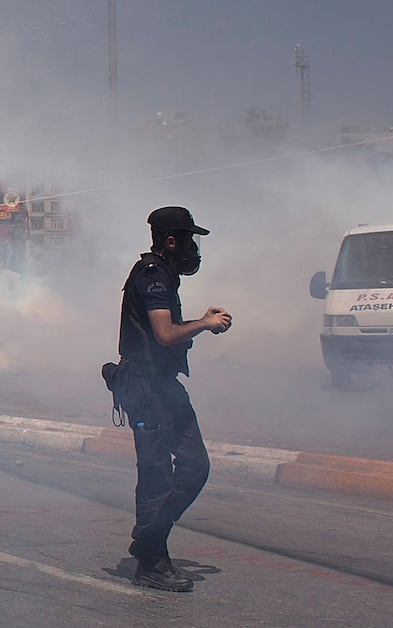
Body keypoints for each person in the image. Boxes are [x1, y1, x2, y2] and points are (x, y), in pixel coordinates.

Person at [111, 205, 231, 592]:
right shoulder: (152, 275)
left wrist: (199, 321)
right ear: (171, 241)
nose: (193, 248)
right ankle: (151, 561)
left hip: (164, 387)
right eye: (189, 239)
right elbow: (164, 335)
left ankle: (148, 537)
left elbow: (166, 331)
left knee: (195, 466)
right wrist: (205, 324)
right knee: (156, 475)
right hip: (146, 390)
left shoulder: (164, 274)